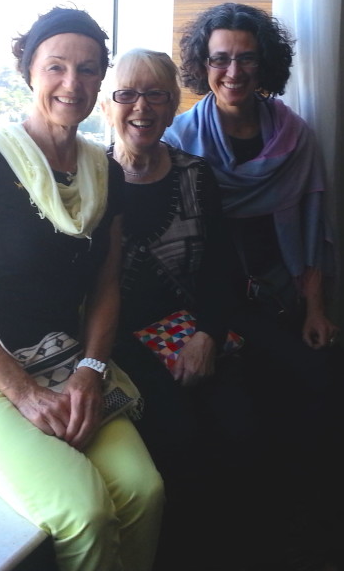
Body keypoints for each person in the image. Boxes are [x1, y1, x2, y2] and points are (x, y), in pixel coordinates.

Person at [0, 7, 164, 571]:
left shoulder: (105, 171)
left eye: (88, 69)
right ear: (30, 73)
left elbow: (105, 287)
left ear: (102, 81)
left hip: (66, 366)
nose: (71, 83)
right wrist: (22, 392)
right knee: (84, 512)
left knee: (144, 492)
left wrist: (91, 371)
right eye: (56, 67)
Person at [164, 3, 344, 571]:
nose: (233, 72)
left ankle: (340, 529)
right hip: (219, 306)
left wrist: (315, 309)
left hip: (284, 299)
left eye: (247, 58)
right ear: (203, 64)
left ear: (264, 63)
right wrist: (206, 328)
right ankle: (321, 537)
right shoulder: (180, 140)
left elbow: (314, 232)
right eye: (219, 59)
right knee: (292, 406)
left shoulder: (294, 136)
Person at [100, 48, 259, 570]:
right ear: (107, 106)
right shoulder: (88, 180)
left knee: (241, 427)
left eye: (156, 95)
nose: (141, 107)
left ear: (173, 109)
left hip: (190, 333)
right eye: (127, 94)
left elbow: (220, 271)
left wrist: (208, 335)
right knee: (179, 440)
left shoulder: (195, 174)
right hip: (118, 346)